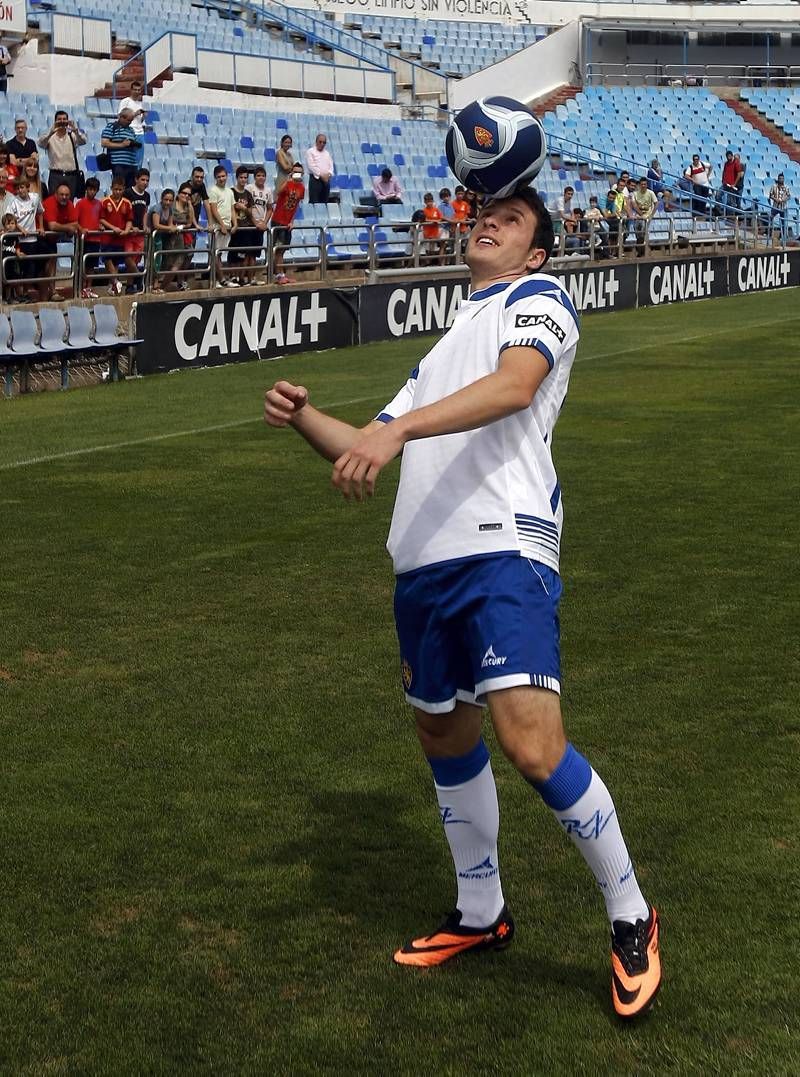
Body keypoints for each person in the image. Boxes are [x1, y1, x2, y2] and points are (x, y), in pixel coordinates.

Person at [263, 186, 662, 1021]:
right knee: (444, 732)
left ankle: (632, 912)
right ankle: (480, 913)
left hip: (501, 547)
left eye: (512, 219)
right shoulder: (447, 344)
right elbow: (369, 438)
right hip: (425, 562)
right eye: (484, 212)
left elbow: (516, 387)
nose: (489, 219)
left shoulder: (539, 299)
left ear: (537, 252)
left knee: (531, 743)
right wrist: (309, 420)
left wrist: (396, 433)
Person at [5, 174, 44, 301]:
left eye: (22, 187)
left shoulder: (35, 198)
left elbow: (40, 212)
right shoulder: (13, 202)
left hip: (32, 239)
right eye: (17, 188)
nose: (20, 191)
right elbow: (9, 220)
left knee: (30, 269)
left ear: (27, 187)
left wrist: (41, 227)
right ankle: (17, 294)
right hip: (18, 240)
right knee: (17, 270)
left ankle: (25, 293)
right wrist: (20, 229)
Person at [40, 181, 80, 296]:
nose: (64, 197)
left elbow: (75, 224)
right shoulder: (49, 203)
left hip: (53, 239)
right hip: (41, 237)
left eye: (66, 195)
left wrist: (69, 228)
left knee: (52, 262)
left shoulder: (69, 204)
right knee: (42, 268)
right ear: (56, 194)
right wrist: (68, 228)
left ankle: (52, 292)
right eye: (61, 194)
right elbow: (52, 226)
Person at [37, 110, 88, 198]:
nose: (62, 121)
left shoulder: (72, 135)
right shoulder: (50, 137)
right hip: (55, 175)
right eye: (59, 119)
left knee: (69, 202)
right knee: (53, 201)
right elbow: (40, 143)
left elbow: (83, 141)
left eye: (64, 119)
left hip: (71, 175)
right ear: (55, 121)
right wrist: (51, 132)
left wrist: (75, 130)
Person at [98, 174, 133, 295]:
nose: (118, 192)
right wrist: (113, 228)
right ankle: (115, 281)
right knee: (107, 259)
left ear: (124, 189)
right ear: (111, 188)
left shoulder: (127, 203)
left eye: (120, 189)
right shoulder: (105, 201)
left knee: (116, 261)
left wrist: (127, 230)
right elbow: (101, 219)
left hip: (121, 238)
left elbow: (129, 220)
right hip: (108, 237)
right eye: (115, 189)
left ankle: (113, 286)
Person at [270, 162, 304, 285]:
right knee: (278, 250)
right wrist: (288, 180)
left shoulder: (302, 188)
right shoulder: (287, 184)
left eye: (299, 172)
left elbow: (296, 206)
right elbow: (278, 192)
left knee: (283, 250)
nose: (297, 174)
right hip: (278, 220)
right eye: (295, 171)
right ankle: (279, 275)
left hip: (287, 223)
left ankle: (281, 274)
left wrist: (292, 221)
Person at [207, 163, 236, 285]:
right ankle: (220, 279)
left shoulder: (229, 191)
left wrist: (235, 224)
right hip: (218, 227)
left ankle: (218, 279)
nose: (222, 178)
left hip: (227, 226)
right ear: (215, 178)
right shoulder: (213, 191)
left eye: (223, 176)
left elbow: (232, 209)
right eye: (219, 177)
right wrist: (222, 225)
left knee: (219, 253)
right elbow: (213, 209)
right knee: (215, 253)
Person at [229, 165, 258, 286]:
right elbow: (232, 207)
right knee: (234, 255)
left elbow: (250, 211)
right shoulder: (231, 192)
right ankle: (233, 276)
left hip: (246, 227)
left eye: (245, 177)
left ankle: (241, 277)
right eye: (241, 177)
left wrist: (243, 208)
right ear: (237, 178)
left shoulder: (248, 194)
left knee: (243, 255)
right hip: (236, 227)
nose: (243, 180)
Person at [149, 188, 182, 293]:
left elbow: (170, 224)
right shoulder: (157, 208)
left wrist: (174, 228)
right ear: (161, 199)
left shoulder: (171, 209)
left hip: (162, 237)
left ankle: (157, 283)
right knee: (154, 261)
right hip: (152, 237)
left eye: (170, 200)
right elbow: (156, 225)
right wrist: (171, 228)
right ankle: (152, 284)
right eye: (166, 200)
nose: (168, 202)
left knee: (162, 261)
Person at [75, 176, 104, 298]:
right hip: (83, 239)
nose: (92, 192)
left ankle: (88, 288)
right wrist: (82, 229)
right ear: (86, 189)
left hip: (95, 239)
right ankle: (81, 288)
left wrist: (101, 226)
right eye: (90, 189)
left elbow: (101, 219)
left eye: (95, 189)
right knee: (82, 265)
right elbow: (75, 221)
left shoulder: (99, 204)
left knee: (91, 266)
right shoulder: (80, 203)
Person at [100, 108, 142, 189]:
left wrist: (134, 144)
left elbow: (135, 142)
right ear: (121, 117)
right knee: (119, 187)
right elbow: (104, 143)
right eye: (128, 120)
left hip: (132, 164)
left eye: (131, 120)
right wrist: (122, 145)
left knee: (131, 189)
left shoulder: (131, 130)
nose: (129, 122)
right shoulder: (111, 127)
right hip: (118, 164)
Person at [123, 167, 150, 293]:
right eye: (142, 179)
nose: (145, 182)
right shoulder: (128, 193)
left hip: (139, 233)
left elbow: (145, 212)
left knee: (135, 259)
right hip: (129, 231)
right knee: (128, 257)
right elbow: (123, 211)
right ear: (136, 180)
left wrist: (144, 226)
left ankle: (129, 285)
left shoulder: (147, 196)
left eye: (147, 180)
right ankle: (139, 277)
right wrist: (130, 226)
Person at [171, 182, 200, 289]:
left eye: (189, 194)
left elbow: (190, 222)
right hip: (171, 234)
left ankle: (180, 280)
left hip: (184, 233)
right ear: (179, 193)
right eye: (184, 193)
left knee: (187, 256)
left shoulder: (189, 206)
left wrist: (183, 227)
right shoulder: (172, 204)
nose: (186, 196)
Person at [246, 164, 273, 272]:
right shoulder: (249, 188)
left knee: (254, 254)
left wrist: (264, 223)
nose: (261, 177)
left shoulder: (268, 191)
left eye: (263, 175)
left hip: (260, 226)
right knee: (246, 253)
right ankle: (242, 279)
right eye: (258, 175)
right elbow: (247, 207)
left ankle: (251, 278)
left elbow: (270, 208)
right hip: (249, 225)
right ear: (254, 177)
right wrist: (254, 221)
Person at [118, 80, 148, 168]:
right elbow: (120, 116)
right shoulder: (125, 101)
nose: (137, 92)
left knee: (139, 160)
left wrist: (143, 117)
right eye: (135, 89)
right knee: (129, 158)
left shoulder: (140, 104)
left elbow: (140, 121)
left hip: (140, 132)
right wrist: (135, 113)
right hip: (129, 132)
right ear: (131, 90)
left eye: (139, 90)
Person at [630, 176, 658, 256]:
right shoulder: (635, 194)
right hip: (638, 215)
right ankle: (640, 249)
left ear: (647, 185)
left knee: (642, 231)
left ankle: (640, 251)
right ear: (639, 185)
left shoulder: (651, 193)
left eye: (644, 184)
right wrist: (640, 214)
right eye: (642, 184)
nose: (643, 186)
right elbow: (634, 205)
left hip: (647, 216)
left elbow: (656, 203)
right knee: (637, 233)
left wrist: (651, 215)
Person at [1, 212, 25, 302]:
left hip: (12, 261)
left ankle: (15, 296)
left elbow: (17, 246)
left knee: (13, 279)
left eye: (12, 223)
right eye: (8, 224)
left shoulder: (15, 236)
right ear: (4, 225)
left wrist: (18, 253)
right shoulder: (2, 236)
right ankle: (6, 297)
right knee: (4, 280)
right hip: (3, 262)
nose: (10, 226)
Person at [305, 133, 333, 204]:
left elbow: (331, 166)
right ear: (316, 142)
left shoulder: (327, 153)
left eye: (324, 142)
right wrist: (321, 175)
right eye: (320, 142)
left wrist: (329, 174)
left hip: (326, 180)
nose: (322, 144)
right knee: (314, 202)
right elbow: (311, 166)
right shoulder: (310, 151)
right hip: (315, 180)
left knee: (324, 202)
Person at [421, 190, 445, 264]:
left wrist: (437, 221)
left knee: (433, 248)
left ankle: (431, 262)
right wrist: (431, 221)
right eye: (427, 201)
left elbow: (440, 218)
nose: (429, 203)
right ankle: (427, 262)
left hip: (435, 232)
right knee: (428, 248)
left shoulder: (436, 210)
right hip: (427, 232)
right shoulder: (424, 210)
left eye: (430, 201)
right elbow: (423, 219)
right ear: (425, 202)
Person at [768, 173, 791, 242]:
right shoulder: (774, 186)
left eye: (782, 178)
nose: (781, 180)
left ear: (784, 179)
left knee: (783, 222)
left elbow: (789, 196)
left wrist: (784, 199)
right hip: (775, 206)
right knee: (770, 219)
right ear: (778, 179)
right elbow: (770, 195)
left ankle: (783, 237)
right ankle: (769, 234)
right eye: (780, 178)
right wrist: (775, 199)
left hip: (783, 207)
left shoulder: (786, 187)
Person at [719, 150, 742, 216]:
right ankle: (721, 211)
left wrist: (734, 184)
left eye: (730, 156)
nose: (728, 157)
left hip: (732, 186)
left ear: (732, 156)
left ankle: (730, 216)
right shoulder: (726, 163)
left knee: (730, 201)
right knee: (718, 195)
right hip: (725, 184)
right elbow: (724, 171)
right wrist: (723, 180)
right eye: (727, 156)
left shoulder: (736, 163)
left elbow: (739, 174)